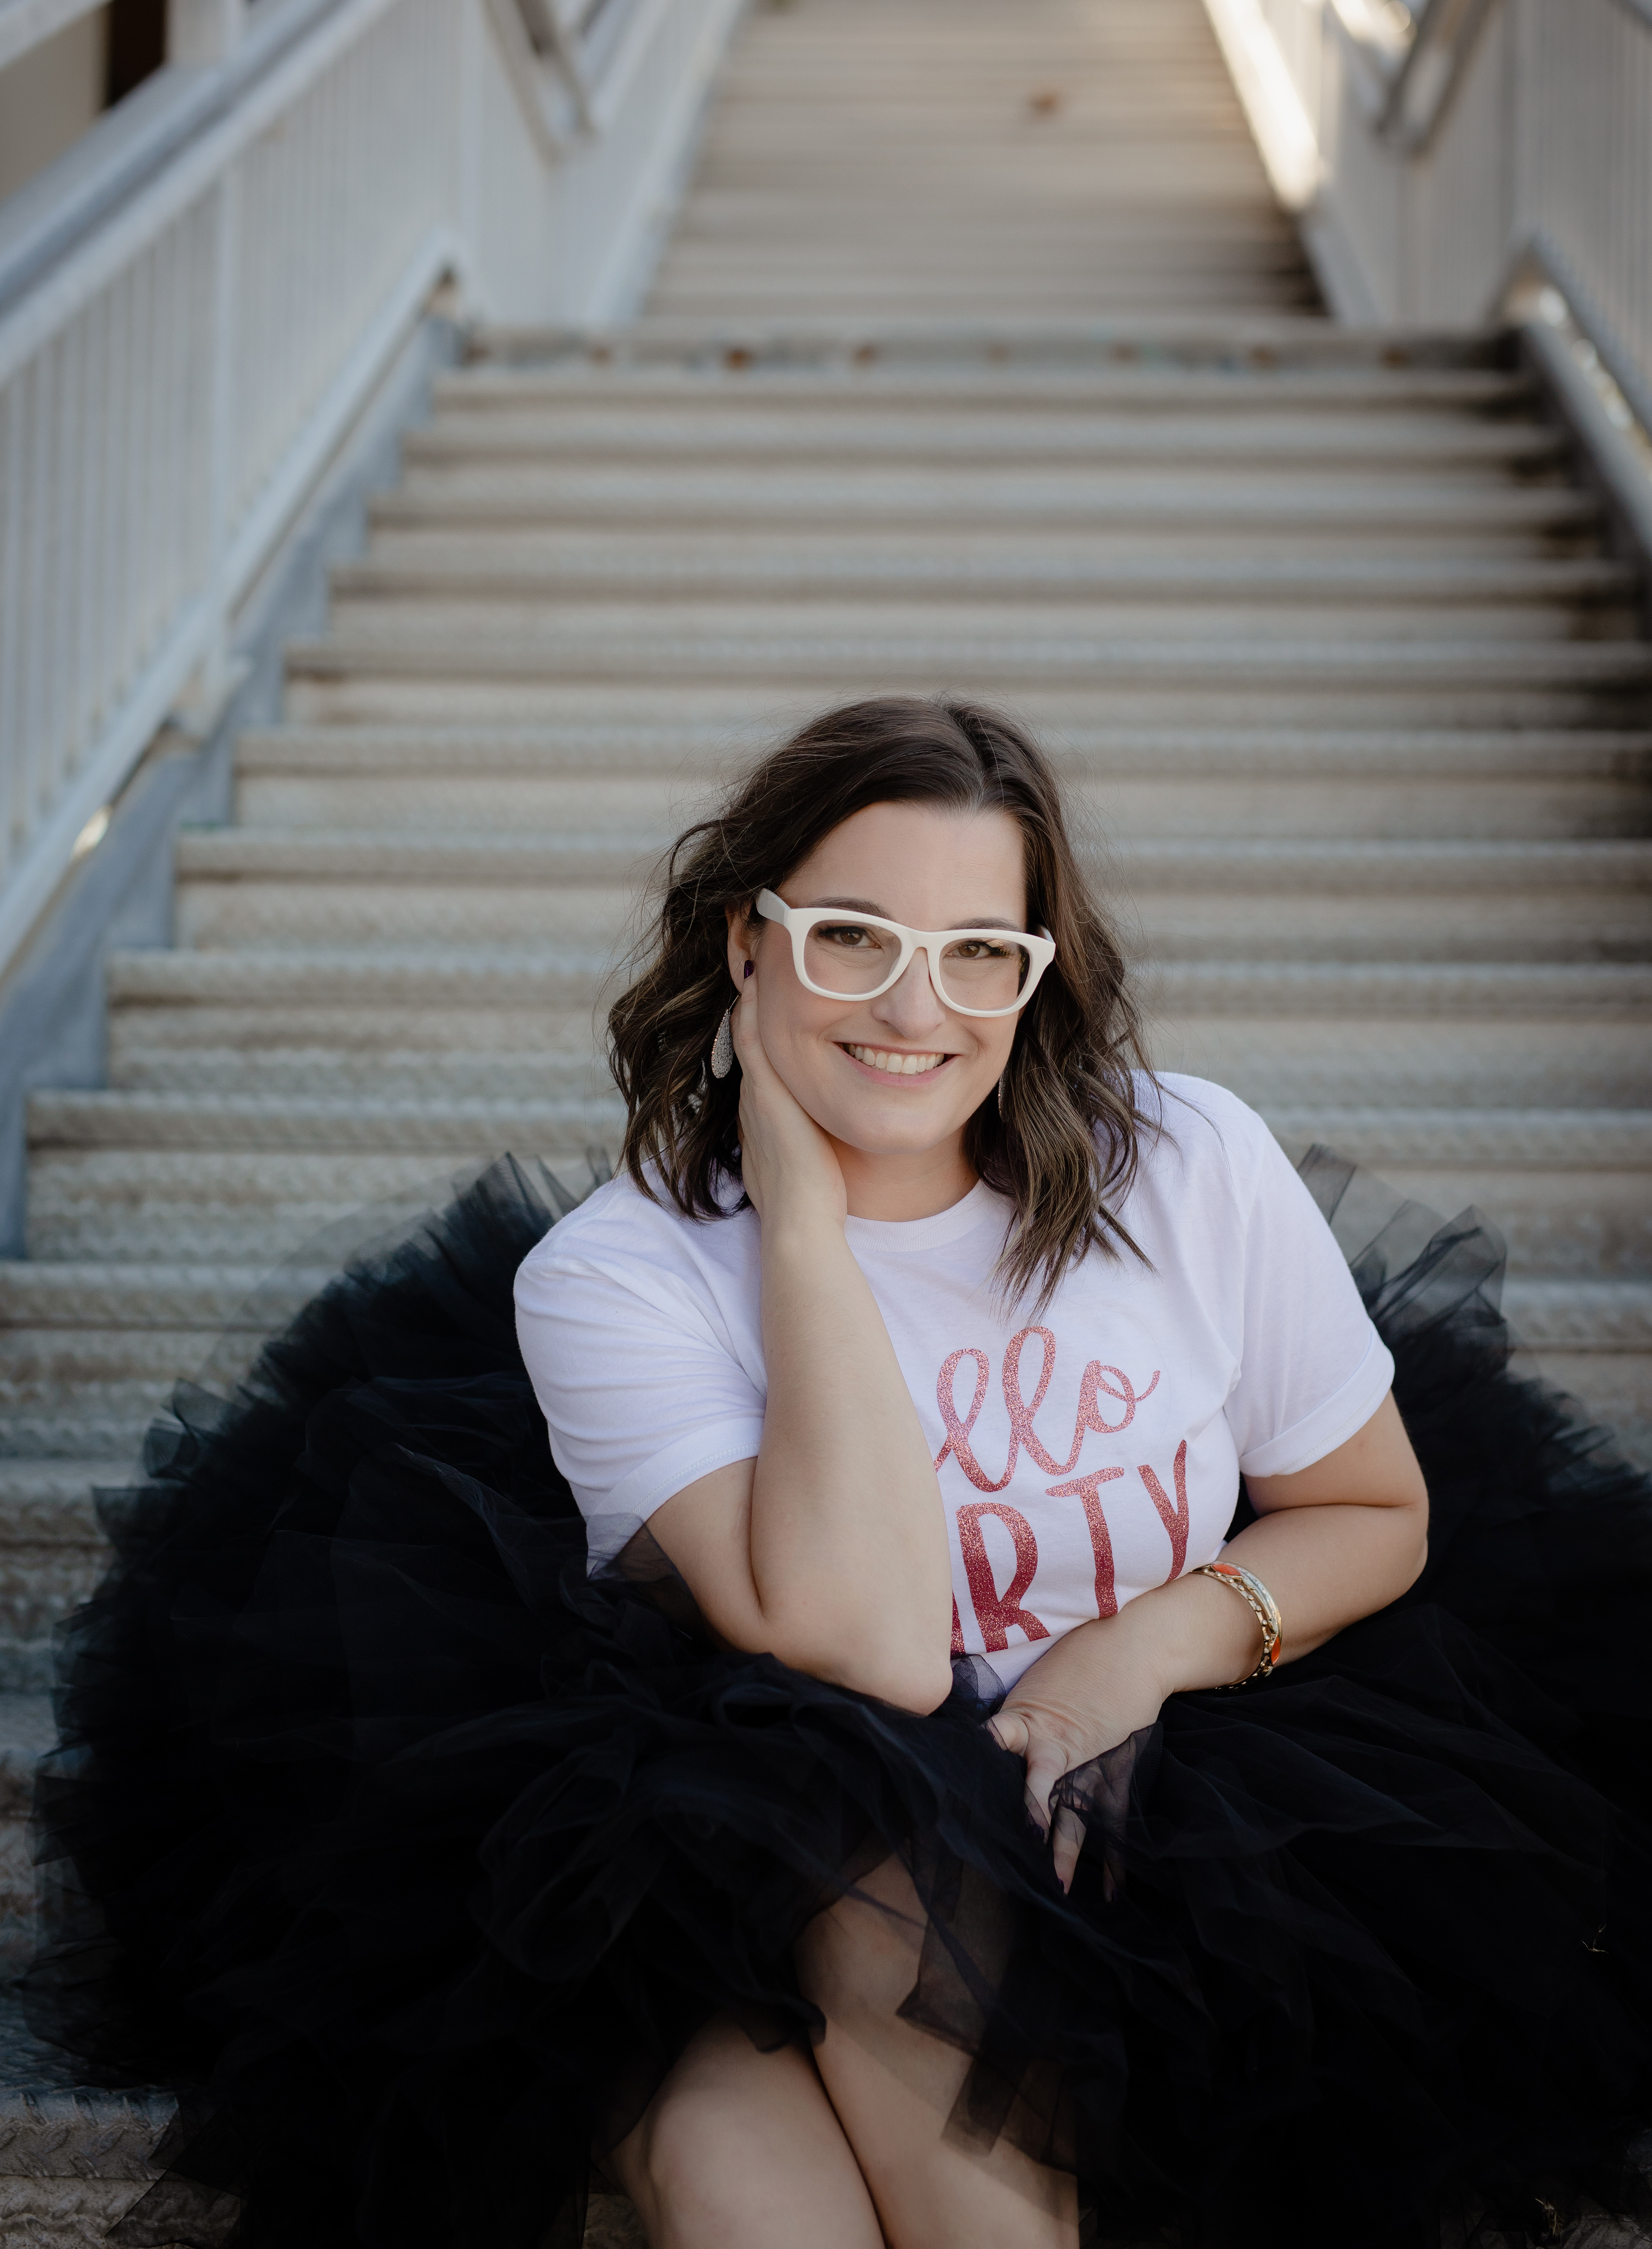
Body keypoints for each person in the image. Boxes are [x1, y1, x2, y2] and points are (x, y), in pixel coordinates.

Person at [26, 698, 1652, 2249]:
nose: (915, 1007)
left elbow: (1377, 1511)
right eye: (853, 936)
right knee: (838, 1918)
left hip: (1163, 1812)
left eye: (979, 954)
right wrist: (803, 1222)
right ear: (751, 943)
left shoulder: (1191, 1164)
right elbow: (868, 1643)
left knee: (812, 1992)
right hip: (731, 1830)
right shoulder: (619, 1279)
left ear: (1037, 974)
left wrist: (1137, 1653)